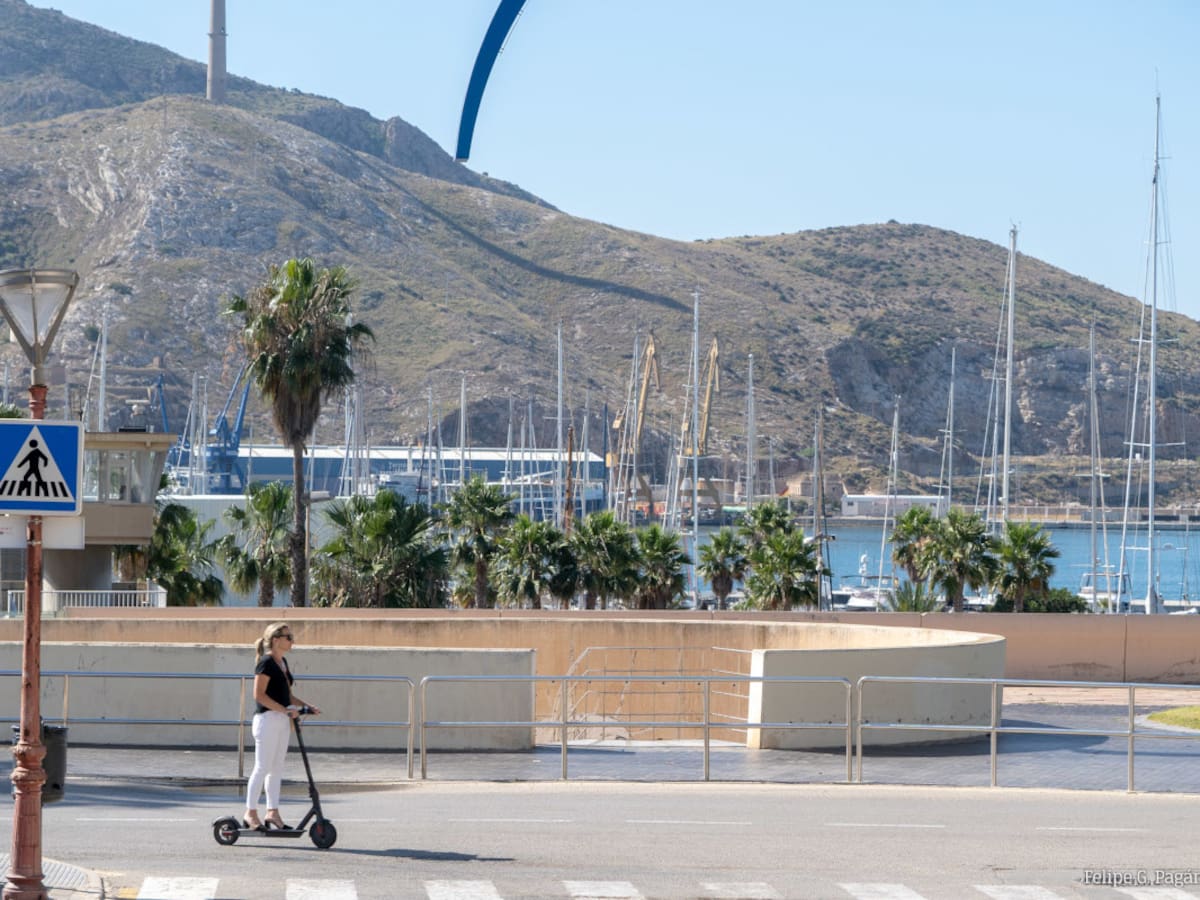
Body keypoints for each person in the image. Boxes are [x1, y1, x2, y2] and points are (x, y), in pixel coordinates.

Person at [244, 622, 320, 830]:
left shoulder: (282, 662)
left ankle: (272, 812)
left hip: (281, 720)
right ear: (276, 640)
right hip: (267, 719)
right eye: (288, 637)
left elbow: (288, 696)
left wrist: (306, 706)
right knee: (262, 767)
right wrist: (283, 709)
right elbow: (259, 695)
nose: (292, 640)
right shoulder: (266, 663)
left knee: (276, 769)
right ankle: (250, 813)